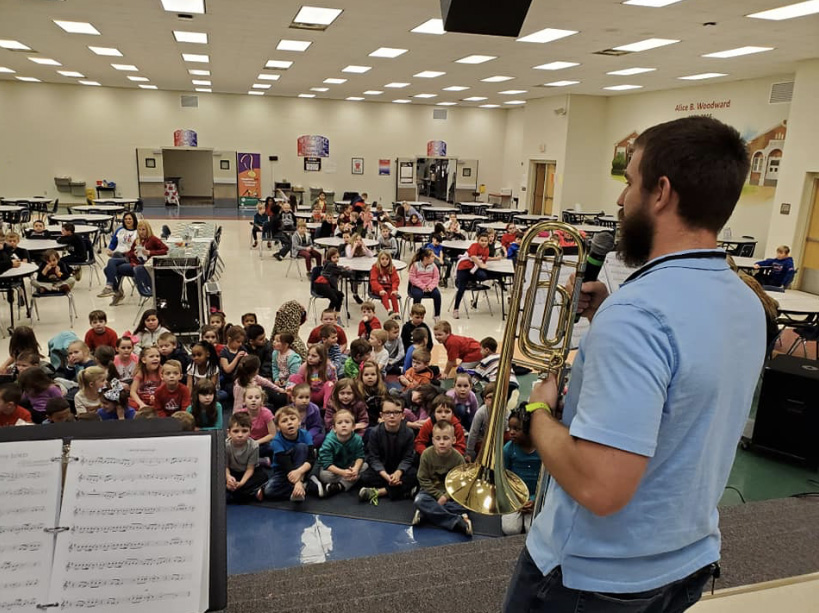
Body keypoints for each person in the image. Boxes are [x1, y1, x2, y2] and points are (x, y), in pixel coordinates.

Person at [504, 116, 765, 612]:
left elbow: (599, 486)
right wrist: (610, 312)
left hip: (591, 578)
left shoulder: (637, 315)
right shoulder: (745, 301)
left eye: (629, 183)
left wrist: (537, 413)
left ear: (660, 192)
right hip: (683, 561)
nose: (622, 200)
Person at [412, 420, 472, 536]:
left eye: (446, 438)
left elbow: (461, 483)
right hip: (430, 492)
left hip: (451, 495)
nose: (442, 442)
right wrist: (439, 496)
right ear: (433, 440)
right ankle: (456, 521)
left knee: (466, 505)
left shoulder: (458, 458)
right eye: (438, 439)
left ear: (453, 440)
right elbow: (423, 479)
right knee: (419, 500)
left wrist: (446, 497)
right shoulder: (426, 455)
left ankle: (426, 514)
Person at [358, 397, 418, 504]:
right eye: (387, 413)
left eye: (396, 412)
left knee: (415, 475)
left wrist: (398, 473)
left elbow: (408, 458)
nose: (392, 416)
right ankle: (403, 491)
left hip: (400, 470)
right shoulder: (375, 432)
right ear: (381, 415)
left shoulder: (409, 433)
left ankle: (380, 492)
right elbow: (373, 458)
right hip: (382, 470)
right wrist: (386, 475)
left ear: (403, 415)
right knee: (364, 477)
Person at [99, 220, 168, 305]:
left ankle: (115, 290)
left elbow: (165, 250)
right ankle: (111, 288)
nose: (141, 232)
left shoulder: (153, 239)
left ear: (148, 230)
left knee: (109, 269)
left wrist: (150, 252)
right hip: (131, 260)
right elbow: (130, 253)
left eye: (143, 229)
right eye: (139, 230)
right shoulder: (137, 240)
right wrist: (133, 253)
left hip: (139, 266)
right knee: (110, 263)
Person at [501, 406, 541, 536]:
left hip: (536, 497)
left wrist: (534, 500)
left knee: (532, 529)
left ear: (529, 429)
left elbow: (547, 481)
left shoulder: (542, 449)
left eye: (517, 429)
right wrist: (517, 500)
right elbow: (504, 478)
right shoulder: (508, 449)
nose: (511, 432)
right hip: (515, 496)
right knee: (511, 529)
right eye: (510, 428)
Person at [261, 406, 314, 502]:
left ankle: (299, 486)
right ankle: (302, 487)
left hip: (302, 469)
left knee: (301, 447)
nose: (289, 422)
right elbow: (286, 464)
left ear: (299, 422)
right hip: (283, 470)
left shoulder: (305, 434)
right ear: (278, 427)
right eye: (284, 421)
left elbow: (311, 458)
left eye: (293, 419)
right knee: (269, 491)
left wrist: (299, 474)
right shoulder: (276, 441)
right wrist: (297, 483)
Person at [313, 409, 366, 498]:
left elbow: (360, 456)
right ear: (334, 428)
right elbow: (326, 464)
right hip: (333, 469)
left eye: (347, 422)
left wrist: (356, 469)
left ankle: (339, 485)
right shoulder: (329, 441)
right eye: (340, 423)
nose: (343, 425)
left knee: (365, 466)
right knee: (324, 476)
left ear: (353, 427)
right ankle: (347, 482)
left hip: (349, 466)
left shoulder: (357, 439)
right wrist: (343, 473)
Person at [225, 412, 269, 504]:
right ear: (229, 433)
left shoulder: (254, 446)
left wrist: (241, 483)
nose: (240, 435)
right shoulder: (226, 445)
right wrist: (228, 478)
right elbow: (225, 467)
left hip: (248, 472)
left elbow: (250, 469)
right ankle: (252, 492)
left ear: (250, 431)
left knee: (263, 476)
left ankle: (241, 492)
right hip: (233, 471)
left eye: (244, 431)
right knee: (218, 482)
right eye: (236, 431)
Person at [453, 231, 490, 319]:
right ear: (478, 240)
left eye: (485, 241)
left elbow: (484, 260)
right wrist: (481, 265)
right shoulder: (474, 246)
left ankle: (471, 281)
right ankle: (456, 309)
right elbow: (473, 257)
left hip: (473, 269)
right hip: (464, 268)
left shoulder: (487, 249)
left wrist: (494, 259)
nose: (484, 242)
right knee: (461, 288)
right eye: (482, 240)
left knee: (483, 276)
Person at [235, 385, 277, 461]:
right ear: (244, 400)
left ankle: (254, 459)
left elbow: (272, 434)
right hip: (246, 442)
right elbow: (234, 432)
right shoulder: (240, 414)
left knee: (272, 447)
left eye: (257, 398)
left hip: (263, 442)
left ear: (262, 400)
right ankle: (261, 461)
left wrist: (256, 442)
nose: (253, 400)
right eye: (250, 398)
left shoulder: (266, 413)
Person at [288, 343, 336, 409]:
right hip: (307, 394)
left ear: (321, 358)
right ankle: (294, 405)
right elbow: (299, 379)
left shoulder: (328, 368)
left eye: (314, 356)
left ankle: (326, 409)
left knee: (329, 384)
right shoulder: (304, 366)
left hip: (320, 394)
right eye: (308, 355)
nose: (309, 358)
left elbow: (334, 382)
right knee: (294, 377)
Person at [465, 381, 495, 462]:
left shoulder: (505, 411)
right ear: (485, 400)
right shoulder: (481, 412)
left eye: (497, 397)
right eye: (490, 397)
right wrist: (469, 452)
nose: (494, 400)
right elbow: (473, 432)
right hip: (483, 439)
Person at [408, 248, 442, 320]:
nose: (434, 258)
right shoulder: (415, 265)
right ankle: (416, 315)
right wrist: (423, 287)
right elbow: (412, 278)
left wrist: (430, 287)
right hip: (418, 286)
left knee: (437, 295)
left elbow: (436, 278)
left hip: (430, 286)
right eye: (432, 256)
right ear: (425, 258)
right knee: (418, 295)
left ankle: (437, 315)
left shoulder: (434, 266)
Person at [291, 382, 325, 447]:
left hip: (309, 435)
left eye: (307, 397)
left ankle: (308, 448)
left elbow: (316, 426)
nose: (304, 400)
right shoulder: (289, 411)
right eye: (301, 397)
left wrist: (307, 435)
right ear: (293, 399)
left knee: (321, 437)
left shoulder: (314, 409)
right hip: (294, 436)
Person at [312, 247, 346, 312]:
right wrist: (350, 271)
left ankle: (336, 313)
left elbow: (338, 269)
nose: (336, 259)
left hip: (323, 285)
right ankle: (329, 313)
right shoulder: (331, 265)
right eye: (334, 257)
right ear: (329, 258)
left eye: (337, 257)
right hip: (321, 285)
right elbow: (343, 272)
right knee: (334, 299)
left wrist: (343, 268)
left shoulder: (328, 263)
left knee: (340, 295)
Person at [370, 250, 401, 318]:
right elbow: (373, 281)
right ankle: (389, 310)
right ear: (379, 260)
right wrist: (380, 289)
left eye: (387, 259)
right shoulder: (375, 268)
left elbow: (395, 280)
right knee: (384, 294)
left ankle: (396, 312)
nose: (385, 261)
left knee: (393, 295)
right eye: (382, 259)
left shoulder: (392, 268)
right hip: (378, 289)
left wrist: (394, 289)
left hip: (388, 287)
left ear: (390, 260)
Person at [129, 346, 162, 410]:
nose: (155, 358)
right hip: (142, 399)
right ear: (144, 360)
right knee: (130, 402)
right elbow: (132, 391)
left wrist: (156, 396)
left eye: (157, 356)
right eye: (151, 356)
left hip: (157, 398)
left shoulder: (162, 371)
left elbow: (164, 388)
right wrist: (141, 404)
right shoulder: (141, 372)